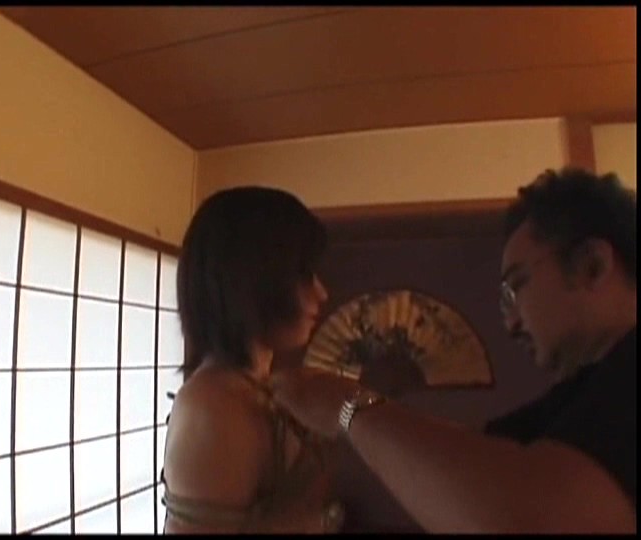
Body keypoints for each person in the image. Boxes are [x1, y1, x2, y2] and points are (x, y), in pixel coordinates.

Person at [271, 168, 636, 533]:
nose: (511, 324)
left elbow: (525, 519)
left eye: (516, 287)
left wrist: (348, 407)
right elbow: (473, 465)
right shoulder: (578, 394)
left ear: (593, 266)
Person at [161, 186, 344, 533]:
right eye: (303, 274)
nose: (321, 293)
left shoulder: (261, 384)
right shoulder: (213, 404)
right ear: (252, 281)